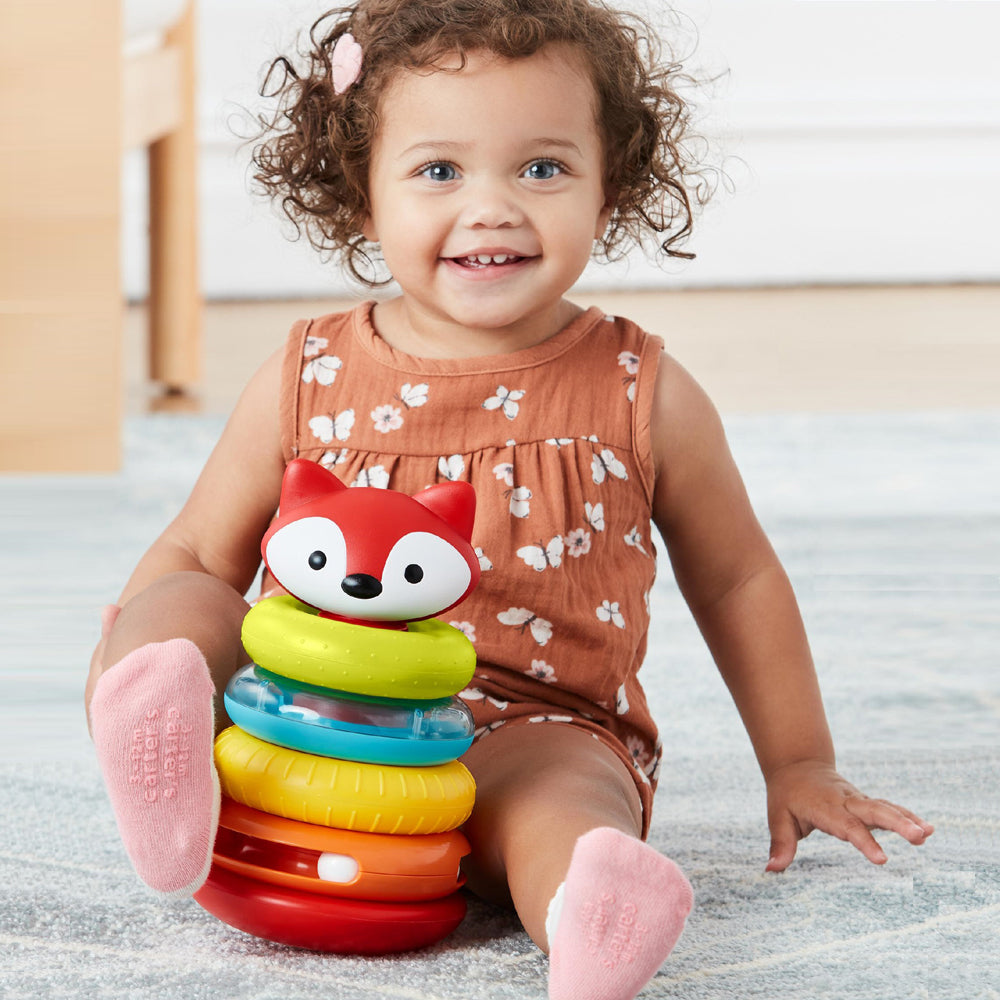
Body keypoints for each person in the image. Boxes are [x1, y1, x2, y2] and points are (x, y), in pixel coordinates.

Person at [85, 1, 934, 997]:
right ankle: (154, 728)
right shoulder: (305, 373)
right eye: (439, 170)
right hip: (301, 715)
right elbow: (199, 549)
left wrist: (800, 763)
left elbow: (738, 577)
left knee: (559, 796)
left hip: (530, 728)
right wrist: (134, 636)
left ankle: (589, 906)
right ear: (361, 194)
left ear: (611, 188)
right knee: (182, 606)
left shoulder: (641, 392)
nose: (491, 207)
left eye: (541, 168)